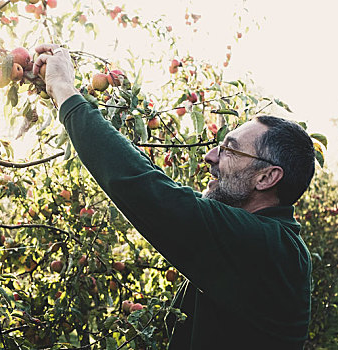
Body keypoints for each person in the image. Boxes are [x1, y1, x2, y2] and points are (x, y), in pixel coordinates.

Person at [32, 43, 316, 349]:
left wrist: (63, 89)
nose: (209, 155)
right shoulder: (261, 243)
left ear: (267, 177)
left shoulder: (270, 248)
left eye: (229, 149)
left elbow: (150, 191)